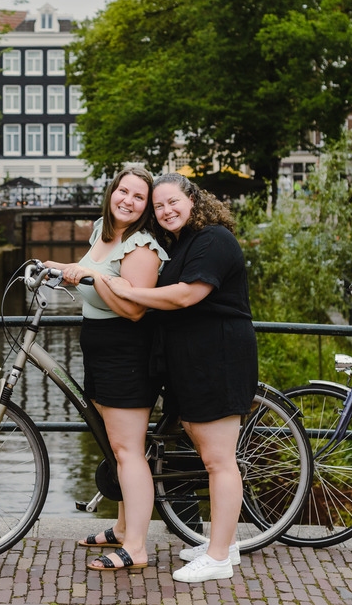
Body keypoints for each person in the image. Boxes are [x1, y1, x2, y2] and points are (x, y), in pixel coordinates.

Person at [104, 173, 258, 583]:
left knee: (219, 460)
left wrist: (127, 290)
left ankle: (221, 556)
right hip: (192, 361)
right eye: (159, 206)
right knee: (210, 457)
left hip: (218, 358)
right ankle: (217, 544)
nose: (166, 210)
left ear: (192, 199)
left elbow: (187, 295)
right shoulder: (183, 243)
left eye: (173, 202)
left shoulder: (214, 240)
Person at [43, 166, 167, 573]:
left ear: (146, 208)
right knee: (116, 446)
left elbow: (133, 310)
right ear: (111, 192)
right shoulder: (102, 229)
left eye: (138, 197)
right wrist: (58, 268)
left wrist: (95, 277)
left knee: (130, 451)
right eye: (123, 191)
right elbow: (88, 281)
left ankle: (136, 547)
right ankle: (120, 526)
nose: (128, 201)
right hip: (96, 347)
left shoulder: (142, 247)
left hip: (126, 352)